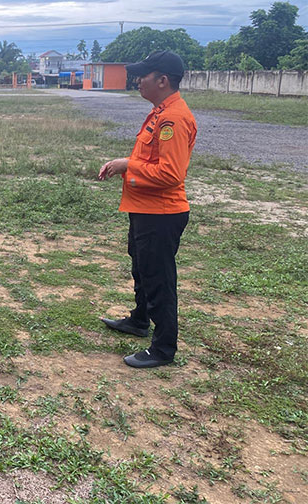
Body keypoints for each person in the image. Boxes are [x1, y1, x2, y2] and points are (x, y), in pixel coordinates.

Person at [98, 50, 197, 369]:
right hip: (145, 210)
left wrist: (128, 165)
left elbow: (171, 174)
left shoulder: (173, 118)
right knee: (141, 269)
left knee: (159, 279)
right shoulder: (160, 112)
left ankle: (163, 348)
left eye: (144, 75)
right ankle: (140, 320)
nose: (137, 80)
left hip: (162, 214)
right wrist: (128, 166)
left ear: (163, 80)